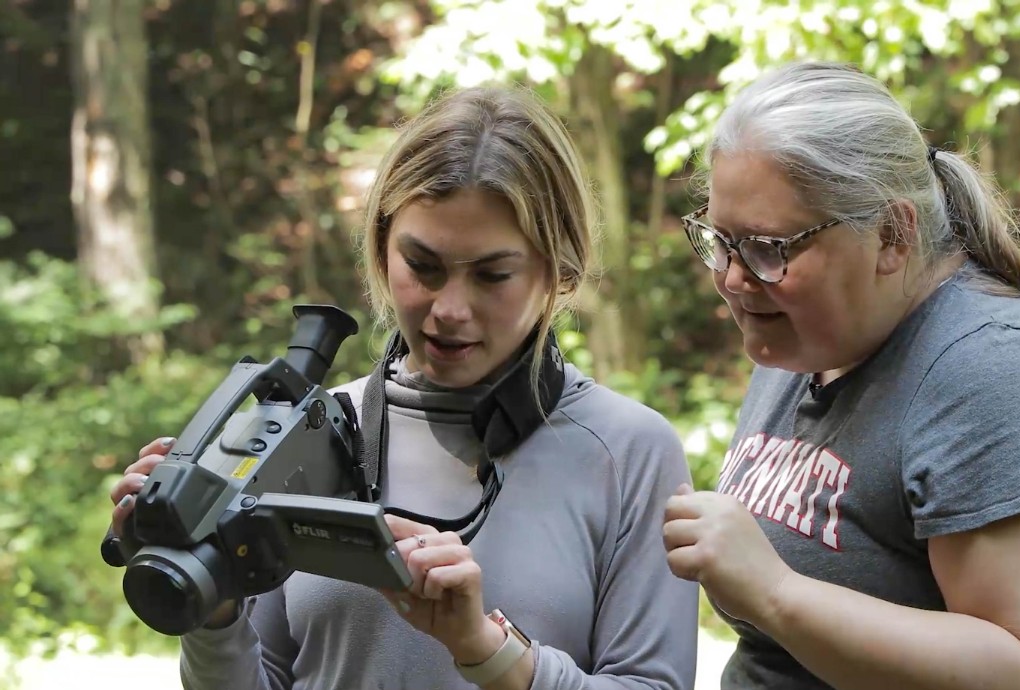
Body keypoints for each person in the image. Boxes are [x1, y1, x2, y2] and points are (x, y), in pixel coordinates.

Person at [108, 85, 699, 690]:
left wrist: (487, 650)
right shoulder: (307, 436)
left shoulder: (628, 452)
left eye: (492, 274)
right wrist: (214, 614)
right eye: (423, 266)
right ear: (382, 247)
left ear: (560, 271)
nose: (449, 310)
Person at [661, 61, 1020, 690]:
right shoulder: (812, 335)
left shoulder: (996, 375)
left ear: (892, 234)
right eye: (721, 240)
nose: (731, 276)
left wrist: (776, 590)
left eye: (768, 247)